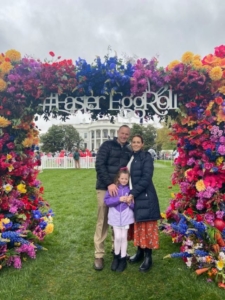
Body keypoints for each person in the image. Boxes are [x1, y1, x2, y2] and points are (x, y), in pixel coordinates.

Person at [93, 125, 132, 271]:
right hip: (105, 187)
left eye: (126, 134)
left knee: (119, 218)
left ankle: (118, 249)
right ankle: (99, 254)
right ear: (118, 133)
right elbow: (99, 164)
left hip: (120, 189)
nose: (124, 136)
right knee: (103, 220)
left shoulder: (128, 149)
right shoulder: (107, 145)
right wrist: (109, 183)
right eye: (122, 133)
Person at [127, 134, 161, 272]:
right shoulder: (131, 157)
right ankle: (140, 252)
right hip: (135, 197)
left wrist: (133, 193)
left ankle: (148, 257)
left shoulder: (146, 157)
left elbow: (146, 178)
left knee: (147, 227)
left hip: (145, 196)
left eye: (138, 142)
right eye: (133, 142)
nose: (135, 144)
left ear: (142, 144)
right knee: (138, 226)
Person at [104, 168, 134, 272]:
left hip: (126, 217)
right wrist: (119, 199)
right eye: (122, 178)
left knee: (123, 237)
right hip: (115, 217)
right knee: (117, 237)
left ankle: (123, 259)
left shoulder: (130, 190)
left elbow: (134, 205)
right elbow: (107, 201)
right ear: (118, 178)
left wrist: (130, 202)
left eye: (126, 179)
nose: (124, 180)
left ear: (128, 179)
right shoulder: (114, 189)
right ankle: (116, 258)